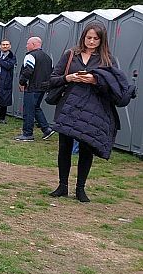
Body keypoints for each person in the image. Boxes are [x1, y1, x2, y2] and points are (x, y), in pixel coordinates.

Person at [48, 22, 134, 202]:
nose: (92, 41)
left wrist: (95, 80)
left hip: (93, 110)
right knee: (64, 147)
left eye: (96, 38)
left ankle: (80, 188)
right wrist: (69, 77)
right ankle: (62, 185)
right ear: (83, 37)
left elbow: (115, 88)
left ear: (102, 40)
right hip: (69, 107)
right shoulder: (71, 55)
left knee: (86, 148)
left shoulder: (108, 59)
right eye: (89, 38)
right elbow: (53, 79)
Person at [15, 36, 55, 141]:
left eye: (27, 44)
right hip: (43, 87)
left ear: (33, 44)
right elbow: (52, 72)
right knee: (36, 107)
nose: (26, 46)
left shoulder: (30, 56)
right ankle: (46, 129)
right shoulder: (47, 57)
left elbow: (28, 70)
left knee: (28, 110)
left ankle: (27, 134)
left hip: (32, 87)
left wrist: (21, 82)